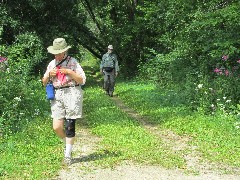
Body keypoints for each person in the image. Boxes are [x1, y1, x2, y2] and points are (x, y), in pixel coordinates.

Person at [42, 38, 86, 165]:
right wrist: (49, 74)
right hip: (57, 94)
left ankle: (68, 155)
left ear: (65, 51)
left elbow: (82, 80)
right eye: (55, 52)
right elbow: (44, 82)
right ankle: (67, 143)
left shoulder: (73, 62)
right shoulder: (51, 64)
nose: (57, 55)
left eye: (59, 52)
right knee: (56, 127)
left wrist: (69, 72)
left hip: (72, 93)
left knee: (70, 124)